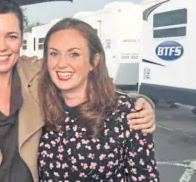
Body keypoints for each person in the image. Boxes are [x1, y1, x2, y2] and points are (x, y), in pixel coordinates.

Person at [0, 0, 156, 182]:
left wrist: (140, 101)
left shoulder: (39, 76)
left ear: (21, 39)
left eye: (11, 36)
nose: (1, 47)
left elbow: (82, 82)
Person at [37, 18, 159, 181]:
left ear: (94, 61)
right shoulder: (40, 106)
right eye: (54, 54)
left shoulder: (127, 114)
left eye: (74, 54)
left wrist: (144, 101)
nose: (61, 64)